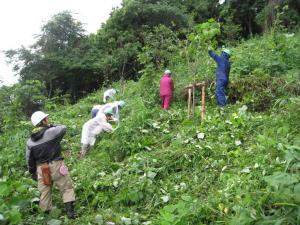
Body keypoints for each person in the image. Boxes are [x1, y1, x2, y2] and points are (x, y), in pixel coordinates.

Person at [26, 111, 76, 219]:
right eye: (46, 119)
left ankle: (45, 216)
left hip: (41, 168)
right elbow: (63, 127)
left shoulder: (30, 141)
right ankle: (70, 213)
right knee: (66, 187)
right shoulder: (52, 132)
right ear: (43, 121)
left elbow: (29, 159)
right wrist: (50, 126)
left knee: (44, 192)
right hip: (57, 165)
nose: (48, 120)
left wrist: (32, 172)